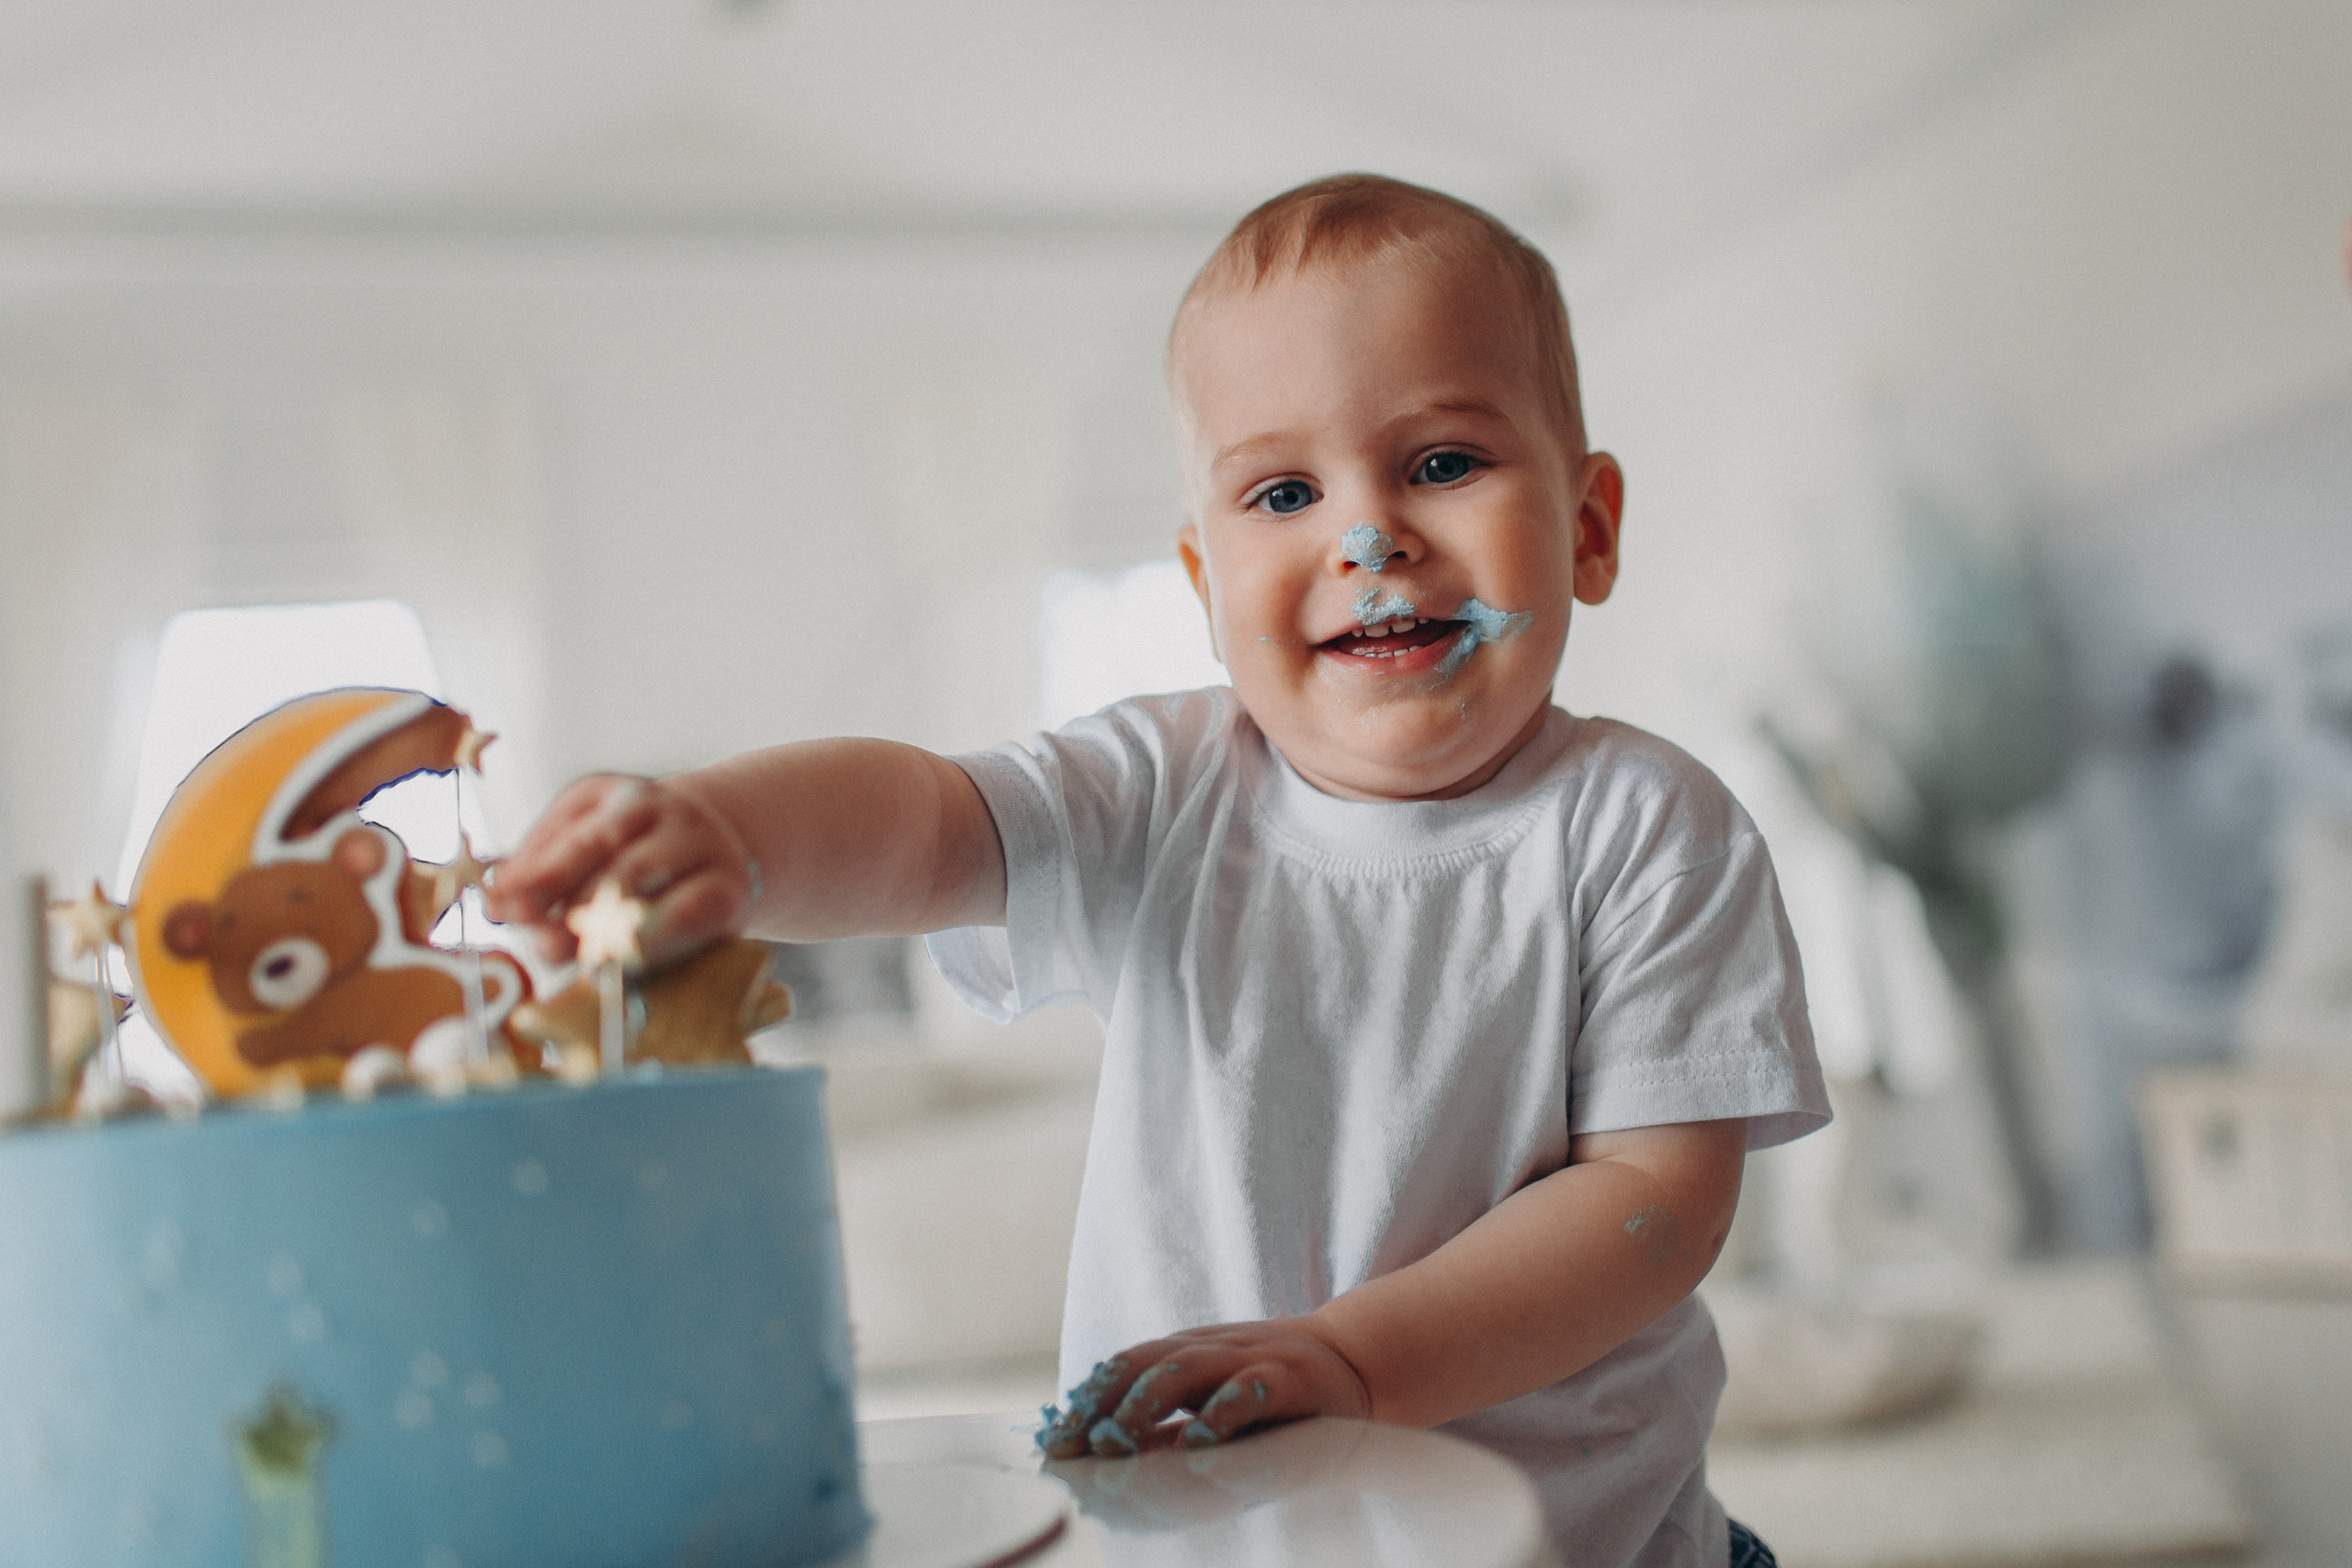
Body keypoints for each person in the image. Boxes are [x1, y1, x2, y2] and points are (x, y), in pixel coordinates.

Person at [489, 174, 1827, 1568]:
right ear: (1203, 583)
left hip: (1581, 1542)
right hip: (1207, 1532)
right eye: (1285, 491)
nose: (1367, 538)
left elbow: (1654, 1208)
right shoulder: (1161, 790)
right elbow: (930, 822)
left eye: (1442, 463)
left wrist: (1353, 1362)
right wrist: (726, 831)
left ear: (1591, 526)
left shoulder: (1647, 827)